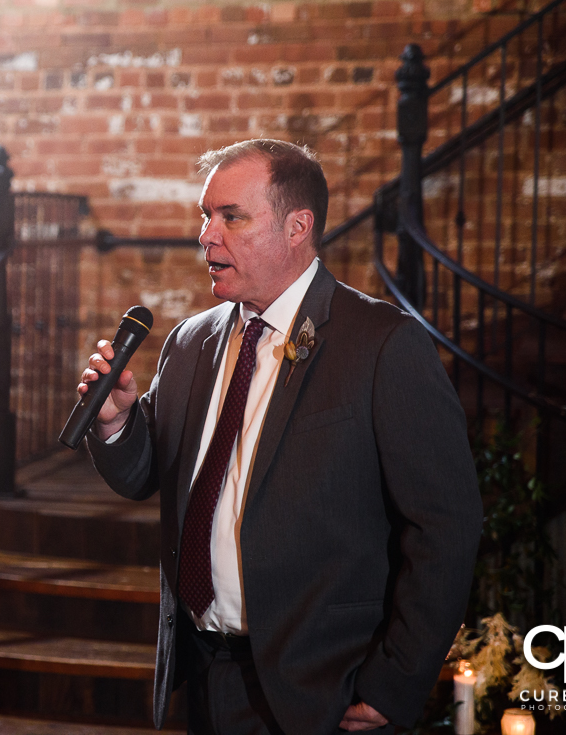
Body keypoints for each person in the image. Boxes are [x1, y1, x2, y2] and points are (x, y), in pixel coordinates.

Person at [79, 140, 482, 734]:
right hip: (202, 673)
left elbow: (446, 526)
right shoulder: (191, 342)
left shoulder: (381, 345)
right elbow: (146, 474)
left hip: (320, 691)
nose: (207, 237)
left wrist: (394, 683)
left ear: (298, 227)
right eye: (204, 216)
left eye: (231, 217)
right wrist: (115, 421)